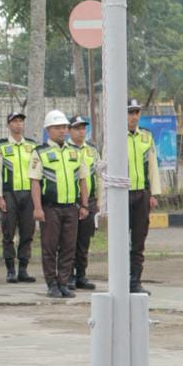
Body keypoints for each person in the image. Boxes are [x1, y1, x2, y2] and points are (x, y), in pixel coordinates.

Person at [30, 110, 89, 298]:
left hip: (71, 208)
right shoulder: (40, 152)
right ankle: (51, 284)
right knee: (49, 247)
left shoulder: (76, 152)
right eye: (57, 127)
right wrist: (38, 208)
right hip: (50, 208)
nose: (62, 131)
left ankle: (63, 282)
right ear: (48, 130)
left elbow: (83, 180)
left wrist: (85, 205)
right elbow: (35, 182)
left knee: (68, 247)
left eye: (64, 127)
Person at [0, 112, 37, 284]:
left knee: (28, 232)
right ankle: (10, 270)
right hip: (9, 194)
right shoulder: (1, 146)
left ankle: (23, 269)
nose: (18, 124)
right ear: (8, 125)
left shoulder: (32, 146)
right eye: (15, 121)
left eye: (21, 121)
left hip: (28, 194)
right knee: (8, 232)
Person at [127, 99, 161, 294]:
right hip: (122, 194)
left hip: (141, 193)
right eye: (130, 113)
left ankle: (135, 281)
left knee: (139, 239)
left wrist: (153, 193)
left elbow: (153, 166)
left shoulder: (146, 137)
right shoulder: (116, 136)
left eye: (137, 112)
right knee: (121, 240)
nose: (134, 117)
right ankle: (121, 280)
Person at [69, 116, 100, 291]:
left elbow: (99, 175)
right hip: (72, 201)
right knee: (69, 241)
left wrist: (100, 201)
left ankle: (81, 275)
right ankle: (69, 276)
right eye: (77, 128)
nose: (81, 131)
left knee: (84, 241)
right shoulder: (66, 149)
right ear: (70, 130)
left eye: (83, 128)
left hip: (90, 201)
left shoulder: (92, 150)